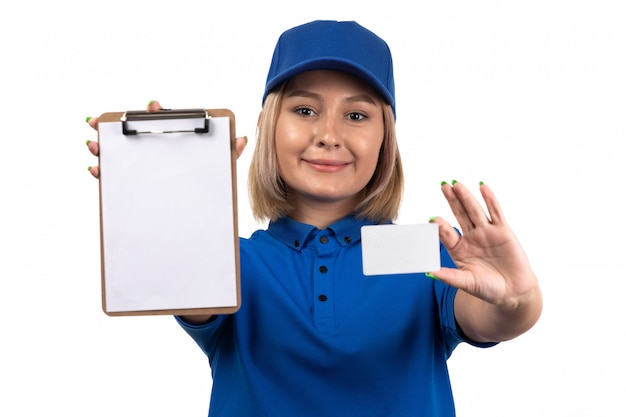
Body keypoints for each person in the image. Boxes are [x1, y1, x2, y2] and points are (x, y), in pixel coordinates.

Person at [86, 20, 542, 417]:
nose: (328, 135)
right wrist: (170, 203)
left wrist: (517, 299)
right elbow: (190, 283)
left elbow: (492, 318)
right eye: (304, 110)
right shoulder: (231, 262)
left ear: (386, 138)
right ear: (269, 126)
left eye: (357, 115)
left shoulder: (426, 252)